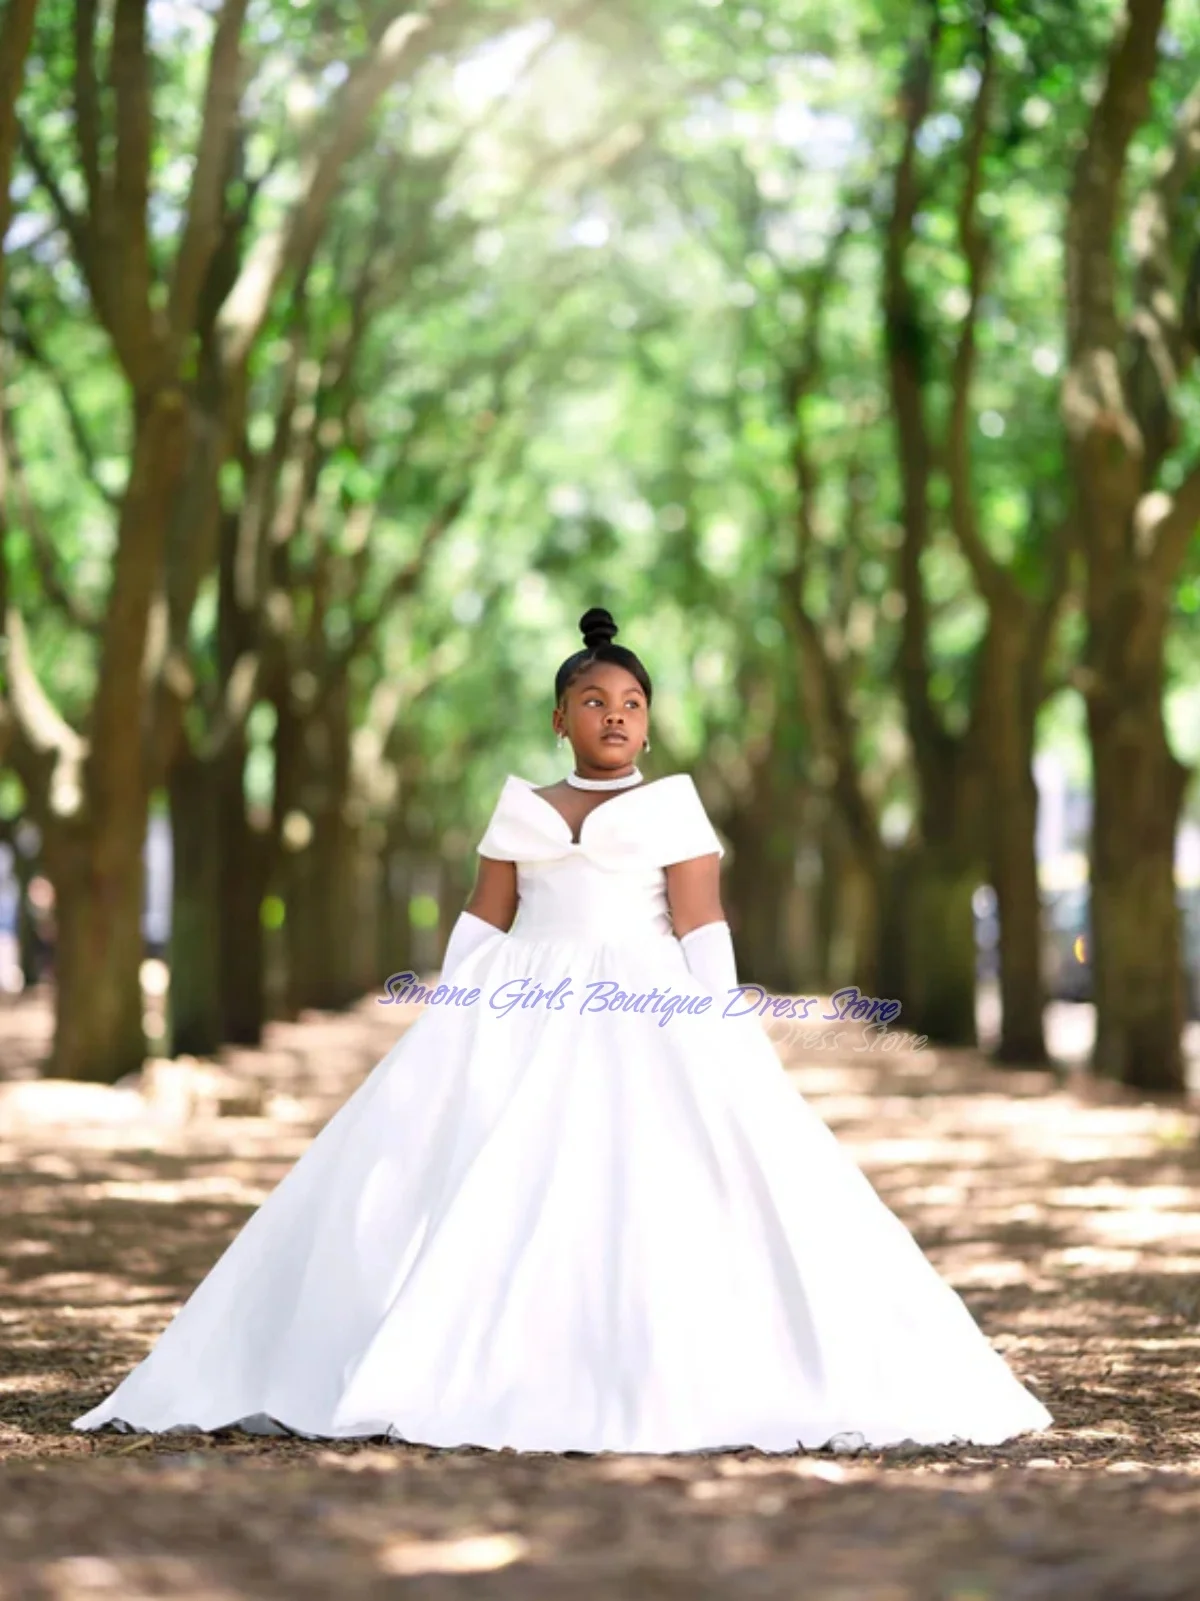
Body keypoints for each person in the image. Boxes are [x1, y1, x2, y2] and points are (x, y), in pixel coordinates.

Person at [71, 607, 1052, 1454]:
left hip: (646, 1004)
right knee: (476, 1166)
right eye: (593, 701)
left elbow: (702, 924)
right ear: (560, 717)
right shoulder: (521, 810)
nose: (614, 715)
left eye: (631, 703)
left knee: (654, 1170)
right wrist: (451, 1012)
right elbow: (484, 916)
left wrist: (723, 1022)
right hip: (522, 1004)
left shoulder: (674, 809)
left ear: (649, 722)